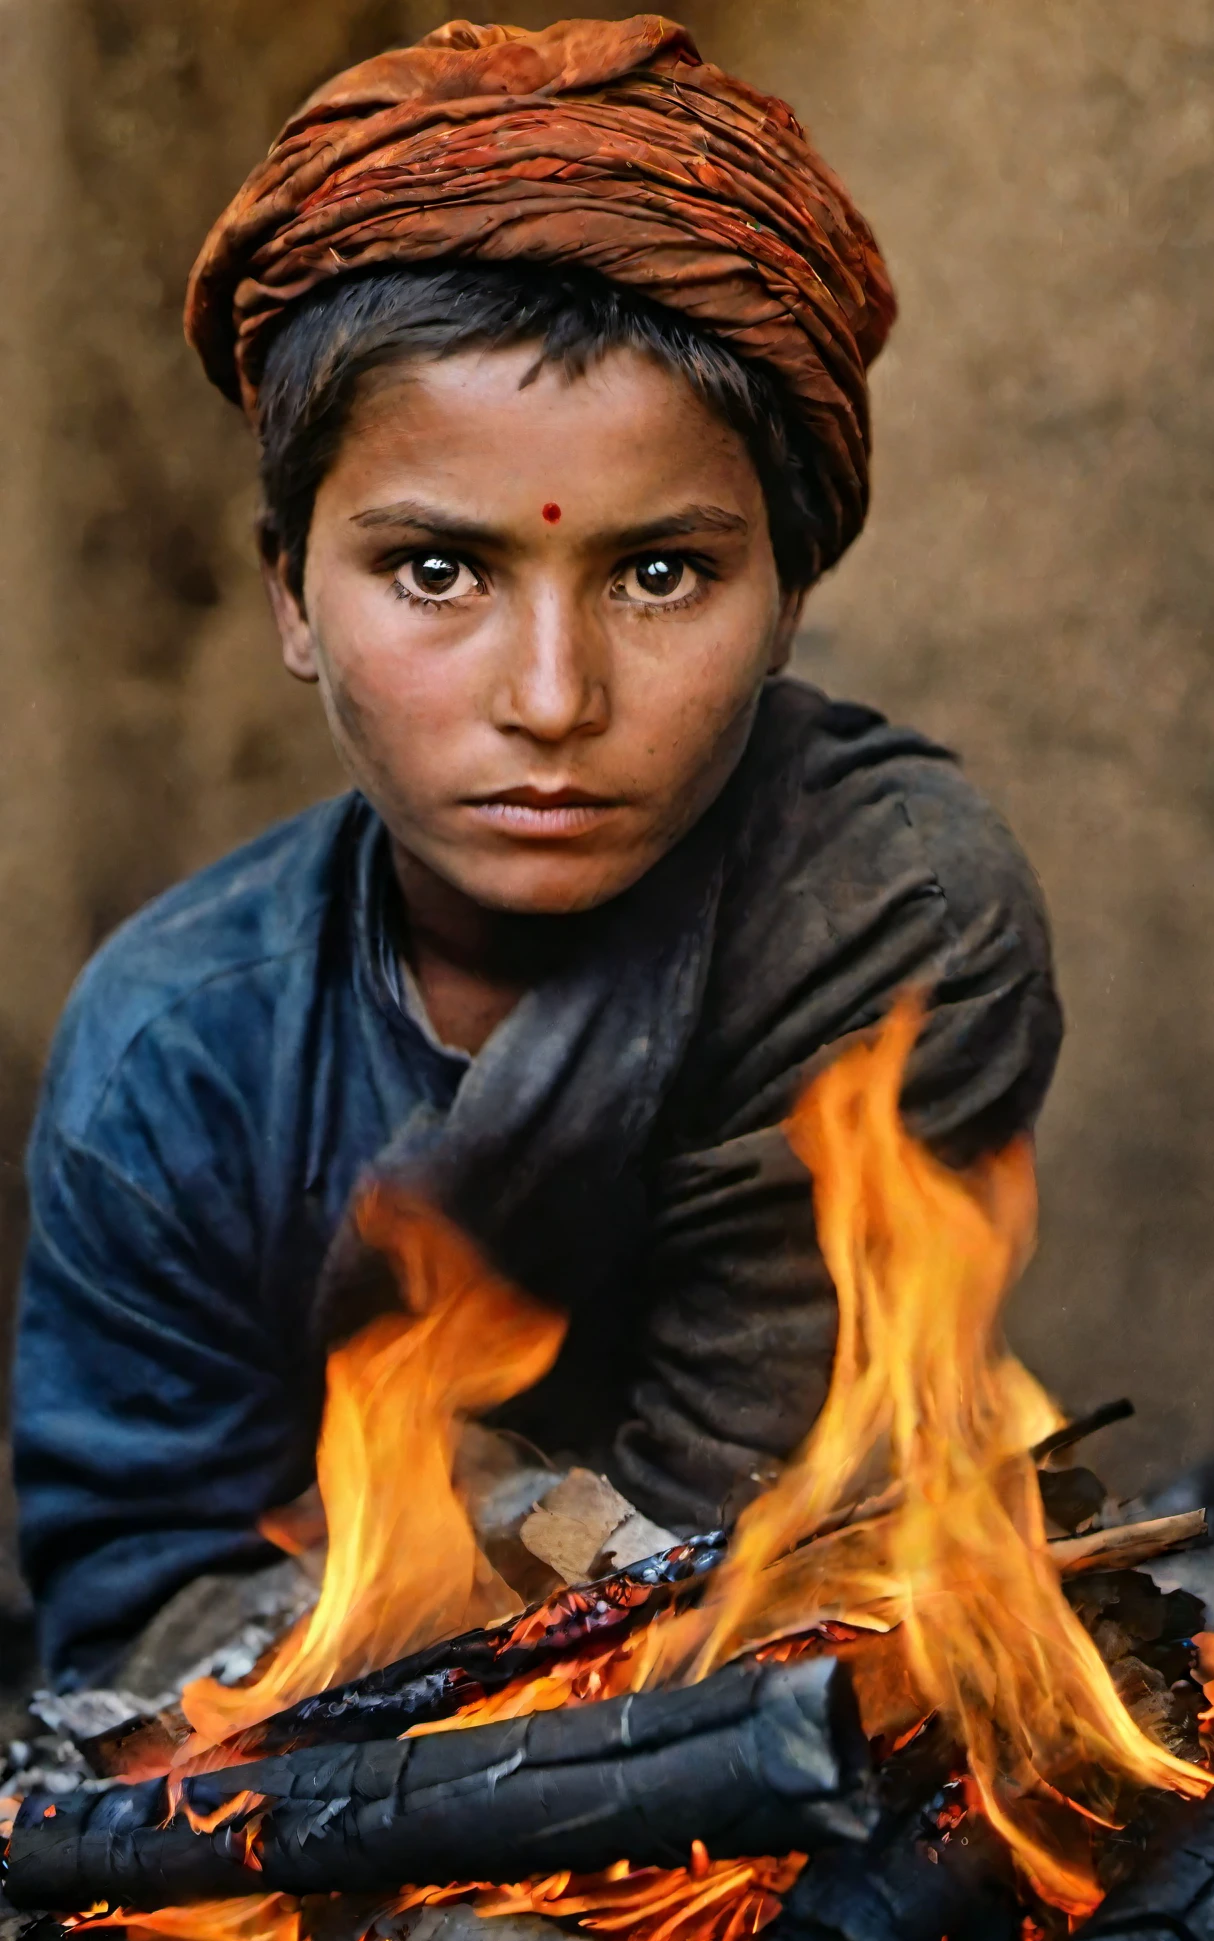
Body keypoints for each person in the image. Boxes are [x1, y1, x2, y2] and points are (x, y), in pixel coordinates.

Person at [13, 15, 1062, 1688]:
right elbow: (137, 1624)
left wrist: (492, 1529)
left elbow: (752, 1567)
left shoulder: (880, 909)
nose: (554, 700)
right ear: (294, 594)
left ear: (789, 591)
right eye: (438, 571)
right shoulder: (175, 1056)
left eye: (661, 576)